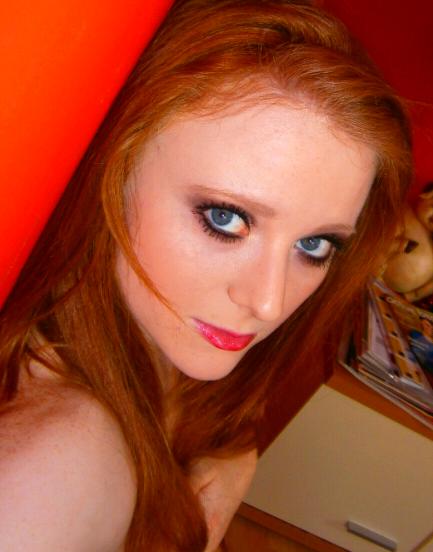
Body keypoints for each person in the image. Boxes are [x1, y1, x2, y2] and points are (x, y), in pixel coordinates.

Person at [0, 0, 412, 550]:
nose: (268, 302)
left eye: (313, 245)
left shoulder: (152, 344)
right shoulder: (58, 462)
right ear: (112, 168)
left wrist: (234, 458)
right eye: (226, 219)